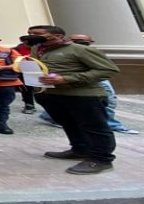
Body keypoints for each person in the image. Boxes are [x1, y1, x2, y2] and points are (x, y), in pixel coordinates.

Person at [27, 25, 120, 175]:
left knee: (95, 127)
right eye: (30, 33)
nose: (32, 36)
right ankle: (80, 149)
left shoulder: (79, 50)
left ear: (57, 36)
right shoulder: (37, 49)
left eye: (37, 33)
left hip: (83, 95)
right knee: (69, 124)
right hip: (51, 95)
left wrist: (66, 79)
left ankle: (102, 160)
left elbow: (108, 69)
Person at [57, 34, 139, 135]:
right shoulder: (62, 52)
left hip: (93, 77)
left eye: (84, 42)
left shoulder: (90, 52)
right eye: (76, 41)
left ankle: (110, 123)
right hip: (74, 79)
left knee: (108, 99)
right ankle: (109, 124)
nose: (80, 44)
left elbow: (106, 68)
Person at [13, 35, 37, 114]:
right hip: (23, 71)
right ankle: (29, 104)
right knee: (26, 88)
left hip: (39, 70)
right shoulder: (17, 49)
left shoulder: (42, 49)